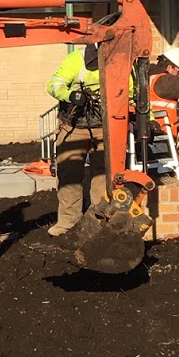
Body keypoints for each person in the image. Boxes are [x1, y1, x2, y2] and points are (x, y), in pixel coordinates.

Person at [45, 44, 106, 238]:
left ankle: (99, 222)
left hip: (104, 127)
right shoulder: (76, 59)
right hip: (73, 126)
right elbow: (53, 84)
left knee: (103, 176)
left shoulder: (119, 62)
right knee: (69, 174)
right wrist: (70, 95)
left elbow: (131, 94)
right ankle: (68, 222)